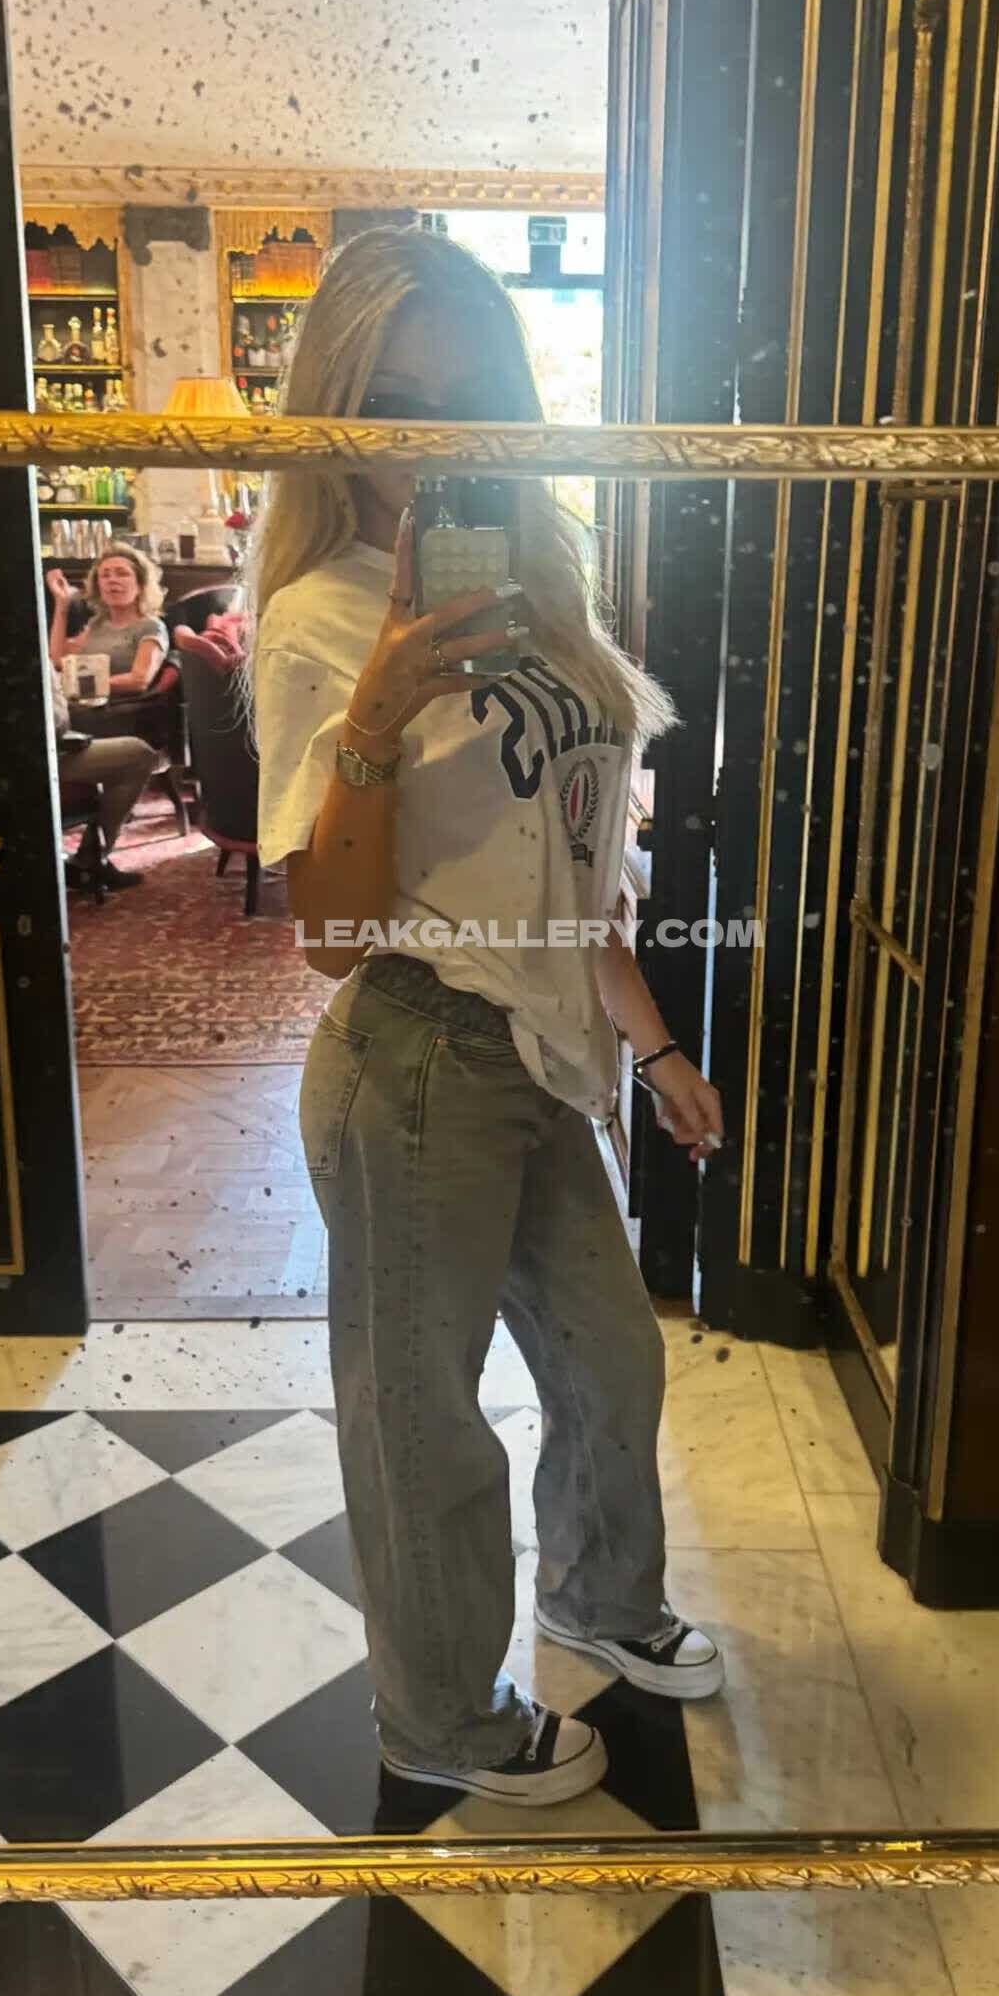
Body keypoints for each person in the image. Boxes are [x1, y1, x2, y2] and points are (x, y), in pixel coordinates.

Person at [250, 227, 726, 1809]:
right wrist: (380, 710)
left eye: (470, 402)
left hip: (534, 1051)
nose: (431, 442)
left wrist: (651, 1041)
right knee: (423, 1421)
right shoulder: (320, 620)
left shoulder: (541, 590)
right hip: (411, 1056)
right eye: (393, 403)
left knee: (612, 1364)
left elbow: (568, 862)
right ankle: (440, 1716)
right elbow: (330, 935)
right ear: (336, 412)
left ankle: (596, 1595)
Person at [50, 660, 157, 891]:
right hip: (44, 757)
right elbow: (55, 723)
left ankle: (92, 856)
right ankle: (92, 860)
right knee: (138, 755)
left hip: (50, 748)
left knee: (135, 752)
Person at [47, 543, 169, 694]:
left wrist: (81, 684)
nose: (112, 580)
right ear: (99, 587)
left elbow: (139, 680)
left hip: (117, 705)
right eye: (105, 575)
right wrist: (62, 604)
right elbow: (59, 661)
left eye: (122, 574)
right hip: (82, 700)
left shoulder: (151, 626)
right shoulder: (96, 624)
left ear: (140, 585)